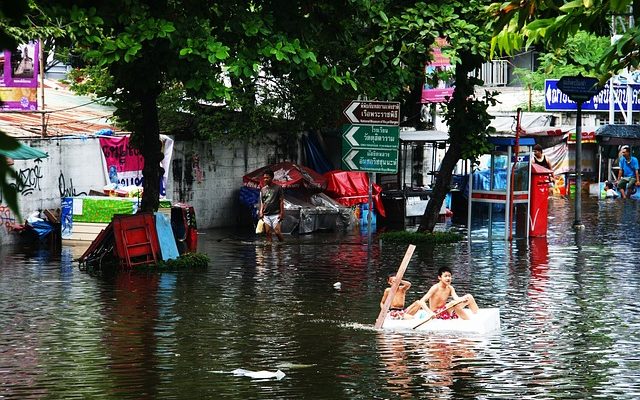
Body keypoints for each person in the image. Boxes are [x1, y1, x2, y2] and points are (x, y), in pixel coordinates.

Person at [258, 169, 284, 242]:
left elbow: (281, 201)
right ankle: (269, 251)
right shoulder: (263, 189)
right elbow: (263, 202)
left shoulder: (278, 188)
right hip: (266, 215)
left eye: (267, 178)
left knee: (277, 232)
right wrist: (261, 212)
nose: (265, 179)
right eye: (264, 178)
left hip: (276, 214)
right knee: (268, 233)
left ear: (272, 178)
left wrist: (282, 213)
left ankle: (282, 247)